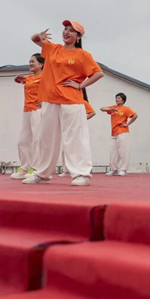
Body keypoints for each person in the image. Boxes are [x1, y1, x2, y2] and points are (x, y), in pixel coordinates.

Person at [23, 21, 103, 186]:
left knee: (74, 138)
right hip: (50, 100)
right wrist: (39, 35)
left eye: (72, 31)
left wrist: (80, 85)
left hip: (71, 101)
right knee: (46, 138)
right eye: (65, 29)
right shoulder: (54, 49)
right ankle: (43, 174)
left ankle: (81, 174)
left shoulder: (83, 55)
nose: (66, 32)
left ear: (78, 37)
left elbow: (98, 73)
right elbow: (35, 39)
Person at [11, 53, 45, 179]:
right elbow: (18, 80)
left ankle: (36, 168)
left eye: (33, 61)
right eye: (29, 61)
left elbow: (54, 89)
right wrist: (18, 79)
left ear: (41, 64)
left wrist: (45, 102)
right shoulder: (29, 77)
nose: (30, 63)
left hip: (38, 111)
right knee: (22, 141)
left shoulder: (46, 77)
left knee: (37, 140)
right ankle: (25, 167)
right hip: (27, 111)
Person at [101, 93, 138, 177]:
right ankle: (114, 169)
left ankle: (123, 169)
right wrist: (110, 109)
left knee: (123, 151)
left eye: (118, 98)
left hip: (122, 131)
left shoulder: (126, 109)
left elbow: (135, 115)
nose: (117, 99)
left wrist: (127, 124)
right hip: (114, 132)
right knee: (113, 152)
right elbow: (102, 109)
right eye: (116, 98)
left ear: (123, 100)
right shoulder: (113, 107)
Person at [59, 96, 96, 177]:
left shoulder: (82, 102)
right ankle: (66, 170)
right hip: (66, 129)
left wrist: (82, 119)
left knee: (75, 149)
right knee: (64, 149)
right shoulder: (64, 102)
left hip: (76, 129)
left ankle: (80, 169)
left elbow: (92, 112)